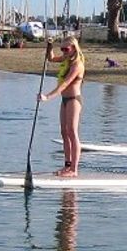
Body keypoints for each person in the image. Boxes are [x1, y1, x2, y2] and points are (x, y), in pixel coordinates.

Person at [38, 36, 86, 177]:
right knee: (64, 132)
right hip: (64, 100)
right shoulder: (66, 59)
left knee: (72, 132)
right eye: (62, 49)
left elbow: (64, 84)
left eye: (66, 49)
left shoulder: (77, 65)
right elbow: (51, 59)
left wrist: (47, 97)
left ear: (74, 48)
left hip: (73, 100)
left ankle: (74, 170)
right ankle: (67, 166)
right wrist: (50, 46)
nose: (64, 52)